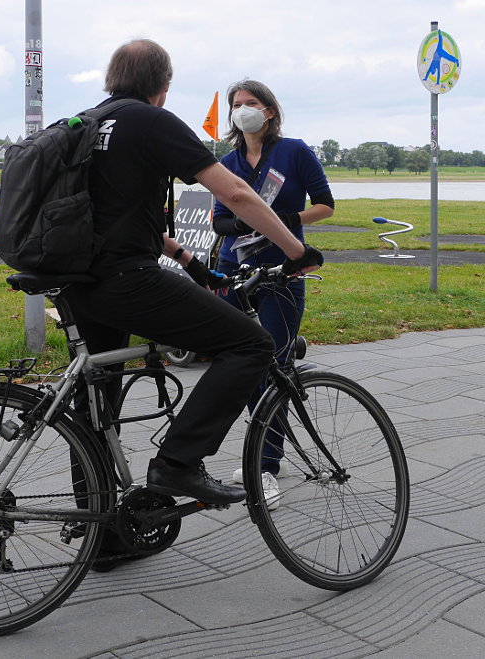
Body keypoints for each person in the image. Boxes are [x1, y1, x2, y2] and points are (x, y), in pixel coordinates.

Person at [63, 40, 322, 567]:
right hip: (126, 278)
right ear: (163, 85)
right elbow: (237, 196)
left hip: (78, 281)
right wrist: (298, 250)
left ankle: (103, 535)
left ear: (115, 78)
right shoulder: (152, 121)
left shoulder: (89, 122)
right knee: (252, 343)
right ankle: (178, 463)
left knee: (97, 402)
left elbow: (122, 214)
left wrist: (190, 261)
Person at [212, 79, 334, 509]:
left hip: (283, 267)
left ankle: (265, 465)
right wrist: (242, 224)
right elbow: (219, 222)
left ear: (269, 110)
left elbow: (326, 204)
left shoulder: (294, 152)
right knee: (240, 360)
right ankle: (262, 446)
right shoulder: (227, 162)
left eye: (251, 103)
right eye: (236, 105)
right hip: (234, 269)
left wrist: (284, 217)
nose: (243, 110)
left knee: (274, 367)